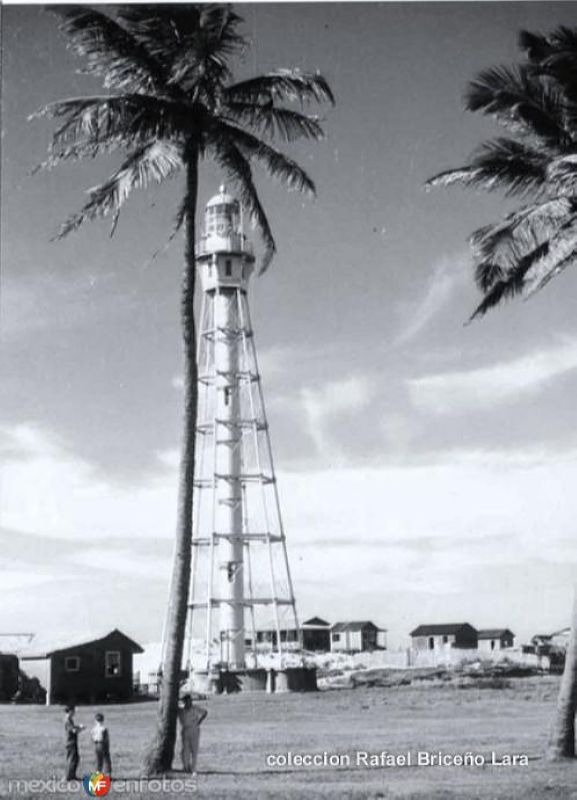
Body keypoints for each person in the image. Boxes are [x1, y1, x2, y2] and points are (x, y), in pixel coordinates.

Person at [177, 694, 207, 774]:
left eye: (189, 701)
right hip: (185, 729)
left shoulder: (195, 708)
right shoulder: (181, 710)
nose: (188, 703)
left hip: (194, 729)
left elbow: (205, 712)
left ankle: (194, 768)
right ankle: (186, 766)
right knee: (185, 750)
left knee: (194, 749)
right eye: (186, 701)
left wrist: (199, 722)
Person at [64, 706, 84, 781]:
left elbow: (73, 728)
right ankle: (69, 776)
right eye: (73, 711)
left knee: (75, 758)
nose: (74, 713)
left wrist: (78, 726)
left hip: (72, 741)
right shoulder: (67, 720)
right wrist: (81, 729)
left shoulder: (69, 719)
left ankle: (72, 775)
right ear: (70, 711)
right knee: (72, 759)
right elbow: (74, 731)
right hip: (70, 742)